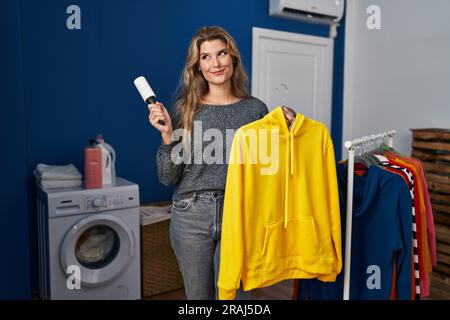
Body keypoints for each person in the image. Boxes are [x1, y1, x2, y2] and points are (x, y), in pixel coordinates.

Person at [148, 26, 269, 300]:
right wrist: (167, 135)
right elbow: (168, 177)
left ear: (233, 59)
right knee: (199, 298)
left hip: (238, 212)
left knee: (236, 298)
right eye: (206, 57)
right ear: (198, 66)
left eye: (222, 53)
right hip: (191, 214)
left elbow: (266, 171)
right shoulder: (184, 108)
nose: (215, 63)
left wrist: (287, 127)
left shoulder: (256, 110)